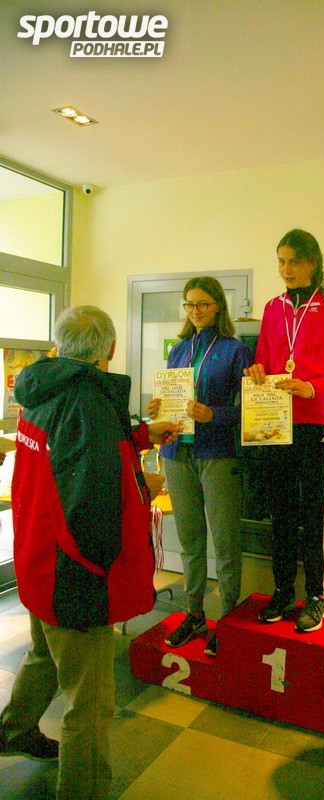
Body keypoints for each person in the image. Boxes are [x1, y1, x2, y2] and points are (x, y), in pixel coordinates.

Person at [0, 305, 180, 800]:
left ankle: (14, 731)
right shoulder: (89, 402)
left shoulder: (44, 389)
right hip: (74, 576)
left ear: (58, 346)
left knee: (43, 655)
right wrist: (142, 491)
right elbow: (92, 505)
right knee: (91, 703)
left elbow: (75, 458)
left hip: (38, 559)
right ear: (111, 349)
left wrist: (141, 436)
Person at [246, 229, 324, 633]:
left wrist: (312, 387)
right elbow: (263, 359)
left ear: (313, 262)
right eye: (281, 261)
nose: (286, 269)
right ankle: (281, 591)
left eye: (294, 261)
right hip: (276, 423)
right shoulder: (272, 307)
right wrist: (257, 370)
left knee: (315, 513)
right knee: (281, 512)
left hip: (317, 424)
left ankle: (316, 596)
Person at [149, 276, 251, 656]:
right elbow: (169, 399)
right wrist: (156, 408)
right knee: (191, 542)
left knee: (224, 543)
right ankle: (194, 614)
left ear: (218, 306)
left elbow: (252, 412)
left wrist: (215, 414)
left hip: (217, 455)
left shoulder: (235, 351)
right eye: (189, 304)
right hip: (178, 455)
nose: (195, 311)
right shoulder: (178, 350)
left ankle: (227, 620)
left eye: (202, 304)